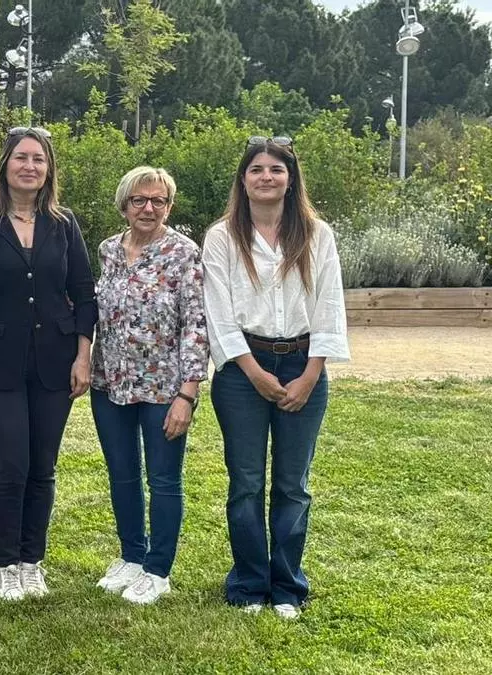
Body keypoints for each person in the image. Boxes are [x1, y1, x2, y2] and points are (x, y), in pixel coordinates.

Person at [202, 136, 349, 620]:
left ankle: (287, 587)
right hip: (242, 370)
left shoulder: (317, 235)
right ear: (243, 180)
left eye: (276, 170)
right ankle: (248, 584)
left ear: (290, 179)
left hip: (304, 365)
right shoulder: (222, 237)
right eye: (257, 170)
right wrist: (253, 371)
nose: (266, 177)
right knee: (245, 482)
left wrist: (310, 374)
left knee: (292, 484)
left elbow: (329, 306)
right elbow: (218, 313)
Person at [0, 127, 97, 601]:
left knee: (42, 466)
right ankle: (3, 562)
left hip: (56, 362)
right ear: (5, 165)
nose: (30, 166)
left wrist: (83, 355)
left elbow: (83, 293)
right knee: (9, 464)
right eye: (21, 157)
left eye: (39, 159)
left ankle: (31, 560)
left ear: (48, 169)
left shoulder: (64, 223)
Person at [90, 166, 209, 605]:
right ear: (124, 205)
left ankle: (158, 570)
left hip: (164, 388)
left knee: (163, 479)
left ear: (169, 207)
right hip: (110, 383)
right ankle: (132, 556)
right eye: (139, 200)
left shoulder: (184, 253)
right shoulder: (108, 250)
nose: (148, 208)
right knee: (122, 474)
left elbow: (196, 324)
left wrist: (188, 393)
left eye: (159, 200)